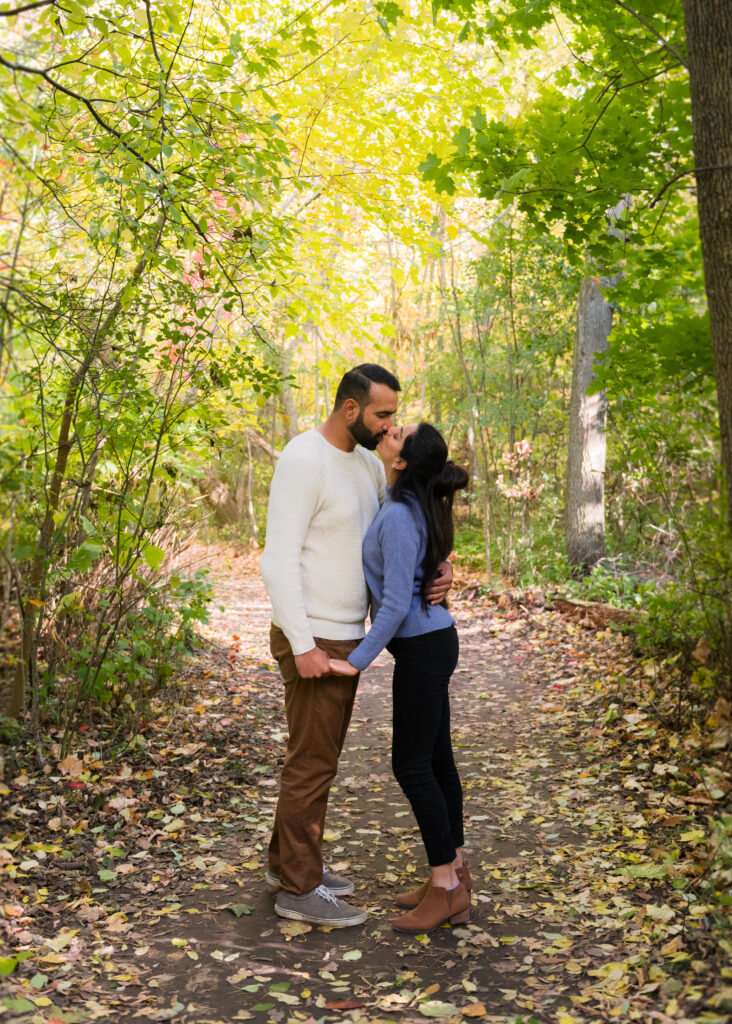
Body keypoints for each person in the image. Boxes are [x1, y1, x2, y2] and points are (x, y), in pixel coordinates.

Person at [259, 365, 453, 928]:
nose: (391, 424)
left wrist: (441, 572)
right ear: (351, 409)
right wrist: (302, 644)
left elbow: (404, 530)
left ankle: (291, 864)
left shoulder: (368, 464)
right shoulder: (303, 459)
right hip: (314, 635)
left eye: (394, 414)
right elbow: (278, 560)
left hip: (343, 634)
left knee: (312, 758)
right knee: (313, 763)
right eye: (383, 414)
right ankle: (299, 888)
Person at [329, 422, 470, 934]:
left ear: (403, 461)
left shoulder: (399, 515)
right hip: (433, 642)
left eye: (397, 432)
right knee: (436, 762)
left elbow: (392, 606)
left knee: (411, 766)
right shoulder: (411, 503)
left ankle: (447, 889)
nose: (389, 430)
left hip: (423, 648)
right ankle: (453, 872)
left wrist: (355, 660)